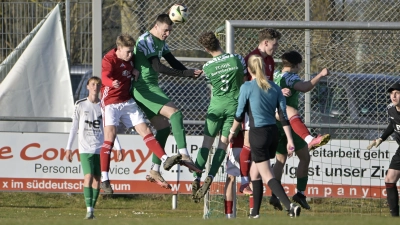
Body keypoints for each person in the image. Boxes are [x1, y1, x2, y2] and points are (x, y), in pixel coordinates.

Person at [236, 28, 330, 195]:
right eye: (275, 43)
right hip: (256, 108)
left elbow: (267, 84)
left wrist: (277, 90)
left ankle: (262, 201)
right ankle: (245, 182)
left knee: (273, 160)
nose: (276, 46)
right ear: (266, 42)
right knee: (252, 148)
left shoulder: (272, 63)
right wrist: (321, 75)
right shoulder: (253, 59)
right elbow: (247, 84)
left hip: (270, 111)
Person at [100, 34, 182, 194]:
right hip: (110, 102)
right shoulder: (109, 59)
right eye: (128, 52)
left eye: (132, 51)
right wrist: (111, 82)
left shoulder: (131, 58)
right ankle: (105, 179)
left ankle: (165, 159)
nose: (131, 55)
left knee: (145, 130)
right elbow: (104, 77)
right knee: (109, 137)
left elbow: (132, 66)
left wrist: (134, 70)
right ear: (119, 49)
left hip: (126, 100)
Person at [133, 14, 202, 189]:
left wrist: (189, 72)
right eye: (165, 30)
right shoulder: (146, 40)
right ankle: (184, 154)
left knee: (163, 128)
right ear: (156, 26)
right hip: (143, 88)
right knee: (175, 114)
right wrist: (185, 74)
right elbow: (158, 67)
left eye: (170, 31)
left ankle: (155, 170)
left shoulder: (161, 41)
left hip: (149, 86)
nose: (167, 34)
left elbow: (172, 61)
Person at [228, 54, 301, 218]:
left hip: (258, 134)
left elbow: (239, 115)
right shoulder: (275, 87)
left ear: (249, 70)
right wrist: (290, 139)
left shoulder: (247, 87)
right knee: (255, 173)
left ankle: (290, 206)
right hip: (272, 134)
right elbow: (283, 116)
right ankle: (254, 213)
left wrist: (231, 133)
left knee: (267, 174)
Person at [189, 31, 246, 201]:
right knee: (223, 144)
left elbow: (212, 88)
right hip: (234, 107)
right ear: (218, 42)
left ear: (206, 49)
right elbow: (243, 81)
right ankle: (211, 176)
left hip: (216, 107)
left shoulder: (207, 67)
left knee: (206, 143)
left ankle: (196, 178)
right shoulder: (237, 59)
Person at [270, 50, 330, 211]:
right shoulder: (291, 77)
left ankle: (275, 195)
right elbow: (305, 87)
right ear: (297, 65)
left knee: (280, 161)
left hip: (275, 123)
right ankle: (300, 194)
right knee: (304, 158)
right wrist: (320, 75)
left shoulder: (274, 75)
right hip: (290, 124)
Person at [65, 77, 122, 219]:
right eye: (93, 84)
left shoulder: (104, 106)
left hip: (100, 148)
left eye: (98, 85)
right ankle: (88, 209)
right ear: (88, 87)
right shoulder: (80, 105)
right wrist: (68, 148)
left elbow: (110, 130)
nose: (95, 87)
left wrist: (118, 147)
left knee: (97, 179)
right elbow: (74, 128)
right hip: (85, 148)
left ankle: (92, 211)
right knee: (88, 176)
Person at [367, 82, 400, 217]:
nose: (393, 95)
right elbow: (393, 124)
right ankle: (394, 217)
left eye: (397, 93)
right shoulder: (391, 109)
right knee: (390, 178)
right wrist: (381, 138)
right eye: (392, 93)